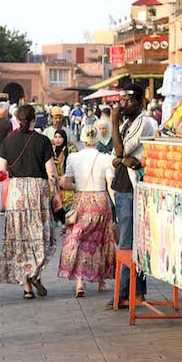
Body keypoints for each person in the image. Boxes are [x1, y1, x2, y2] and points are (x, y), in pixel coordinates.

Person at [0, 104, 61, 299]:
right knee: (41, 236)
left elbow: (1, 172)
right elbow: (51, 172)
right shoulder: (42, 141)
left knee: (21, 239)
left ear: (16, 119)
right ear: (34, 120)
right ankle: (35, 272)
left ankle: (27, 287)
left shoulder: (7, 142)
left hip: (16, 193)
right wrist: (56, 194)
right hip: (37, 193)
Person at [108, 83, 157, 309]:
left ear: (138, 101)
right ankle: (131, 291)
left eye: (128, 101)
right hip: (122, 184)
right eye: (122, 101)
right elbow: (116, 158)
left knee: (129, 241)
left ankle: (126, 291)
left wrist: (113, 123)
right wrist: (122, 158)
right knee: (127, 239)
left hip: (131, 187)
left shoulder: (143, 123)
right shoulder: (128, 123)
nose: (123, 105)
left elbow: (121, 152)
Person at [57, 124, 116, 297]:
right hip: (100, 201)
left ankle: (80, 282)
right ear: (97, 139)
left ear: (82, 138)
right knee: (101, 241)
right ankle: (101, 281)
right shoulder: (105, 158)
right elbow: (111, 185)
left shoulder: (73, 158)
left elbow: (66, 183)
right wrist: (116, 206)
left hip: (81, 201)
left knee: (79, 239)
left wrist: (79, 187)